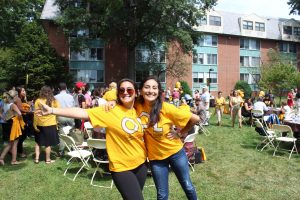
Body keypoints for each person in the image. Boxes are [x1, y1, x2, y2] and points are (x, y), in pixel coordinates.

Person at [36, 79, 147, 200]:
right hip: (122, 168)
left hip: (141, 164)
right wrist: (52, 110)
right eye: (122, 90)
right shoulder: (110, 111)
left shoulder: (139, 109)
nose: (125, 92)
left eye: (129, 90)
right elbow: (82, 112)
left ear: (136, 92)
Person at [136, 76, 200, 200]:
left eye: (154, 88)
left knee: (187, 186)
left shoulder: (166, 107)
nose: (150, 91)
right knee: (162, 194)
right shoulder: (136, 105)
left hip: (175, 153)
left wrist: (181, 134)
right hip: (156, 158)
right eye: (147, 87)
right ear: (141, 90)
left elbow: (195, 119)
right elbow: (120, 103)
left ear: (159, 91)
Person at [33, 86, 60, 164]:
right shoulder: (54, 100)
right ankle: (48, 160)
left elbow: (35, 113)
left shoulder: (38, 100)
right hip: (50, 124)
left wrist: (35, 124)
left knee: (38, 142)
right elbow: (58, 111)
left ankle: (36, 159)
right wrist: (57, 121)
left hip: (39, 124)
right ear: (50, 92)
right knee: (48, 143)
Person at [0, 90, 23, 165]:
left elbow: (0, 112)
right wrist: (19, 117)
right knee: (15, 143)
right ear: (15, 97)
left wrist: (3, 118)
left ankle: (1, 158)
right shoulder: (13, 105)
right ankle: (13, 161)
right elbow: (19, 114)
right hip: (13, 125)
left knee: (10, 143)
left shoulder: (3, 103)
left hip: (6, 124)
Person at [54, 82, 75, 156]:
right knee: (71, 133)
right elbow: (73, 106)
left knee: (62, 134)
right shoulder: (71, 96)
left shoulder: (55, 97)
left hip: (61, 116)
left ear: (59, 89)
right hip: (70, 115)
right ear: (66, 88)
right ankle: (72, 148)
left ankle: (61, 151)